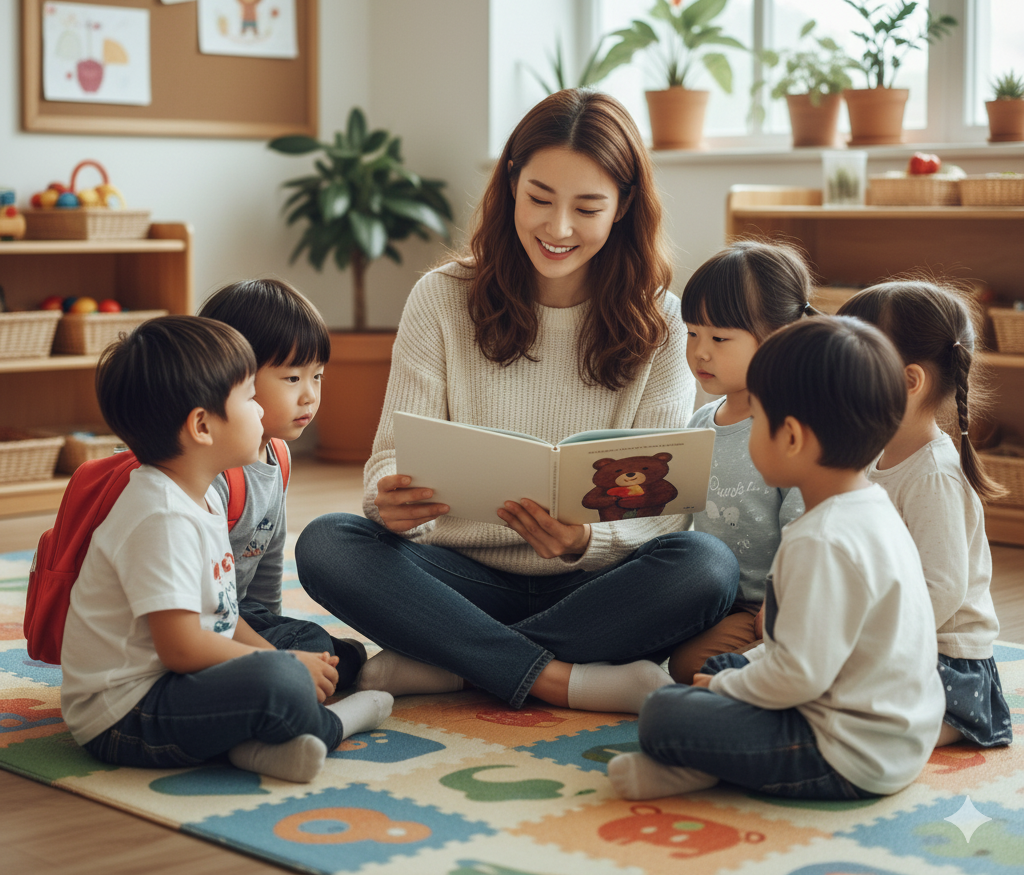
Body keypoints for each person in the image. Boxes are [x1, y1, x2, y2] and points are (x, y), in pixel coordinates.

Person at [296, 89, 739, 713]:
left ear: (624, 207)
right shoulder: (440, 298)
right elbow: (389, 462)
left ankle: (454, 665)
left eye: (587, 208)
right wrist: (390, 500)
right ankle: (559, 678)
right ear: (509, 186)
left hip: (595, 585)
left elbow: (660, 513)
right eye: (538, 199)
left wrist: (585, 544)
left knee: (706, 565)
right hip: (457, 578)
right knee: (327, 543)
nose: (557, 229)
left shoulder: (662, 322)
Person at [609, 316, 946, 801]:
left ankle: (699, 764)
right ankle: (705, 764)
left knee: (665, 711)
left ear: (790, 437)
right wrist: (734, 677)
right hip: (892, 736)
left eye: (757, 420)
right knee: (725, 665)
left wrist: (724, 691)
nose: (748, 434)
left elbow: (798, 677)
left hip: (845, 753)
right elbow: (807, 654)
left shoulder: (820, 541)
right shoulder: (871, 509)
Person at [60, 316, 392, 783]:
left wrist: (280, 655)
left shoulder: (205, 494)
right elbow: (180, 648)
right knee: (280, 682)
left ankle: (257, 747)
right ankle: (335, 724)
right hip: (125, 715)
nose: (260, 413)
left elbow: (224, 614)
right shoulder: (162, 517)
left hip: (173, 683)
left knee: (293, 661)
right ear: (201, 426)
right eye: (249, 398)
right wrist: (280, 665)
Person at [838, 280, 1012, 748]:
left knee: (847, 715)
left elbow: (943, 588)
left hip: (945, 658)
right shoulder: (876, 457)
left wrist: (870, 637)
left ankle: (950, 720)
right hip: (893, 637)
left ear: (910, 382)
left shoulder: (933, 474)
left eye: (849, 364)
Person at [199, 278, 366, 688]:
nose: (309, 395)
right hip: (196, 618)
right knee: (314, 645)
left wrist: (274, 625)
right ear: (232, 379)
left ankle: (338, 670)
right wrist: (274, 654)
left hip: (238, 615)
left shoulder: (278, 455)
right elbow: (198, 599)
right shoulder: (208, 472)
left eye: (318, 377)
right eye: (293, 379)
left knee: (323, 645)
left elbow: (268, 557)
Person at [669, 241, 810, 684]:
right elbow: (680, 522)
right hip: (713, 596)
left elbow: (804, 527)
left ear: (777, 337)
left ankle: (788, 665)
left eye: (719, 338)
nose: (700, 352)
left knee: (688, 667)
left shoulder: (792, 426)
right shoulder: (699, 423)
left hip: (772, 601)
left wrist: (781, 597)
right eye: (692, 333)